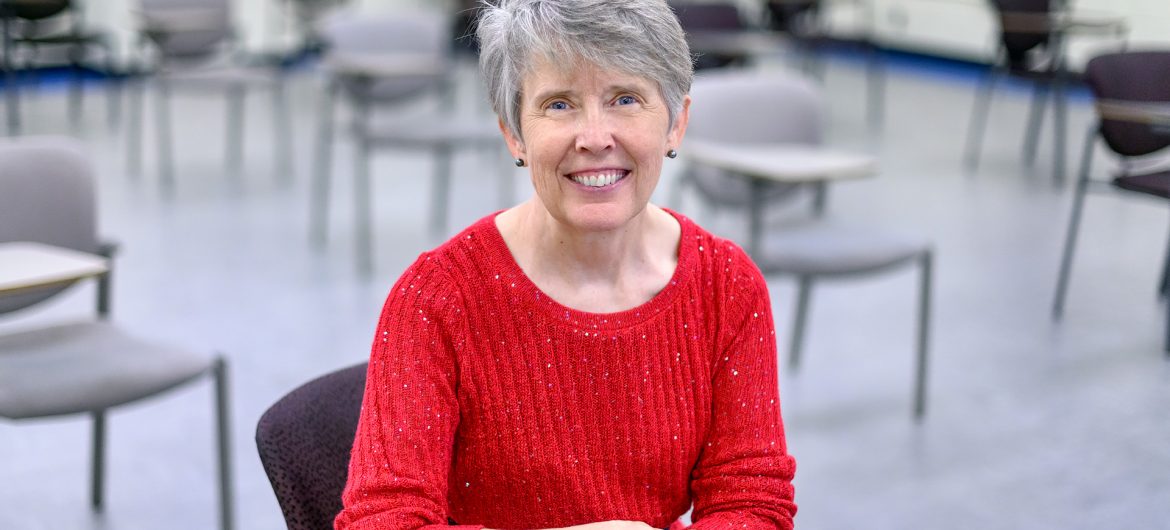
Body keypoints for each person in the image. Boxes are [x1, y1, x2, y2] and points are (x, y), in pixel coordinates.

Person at [335, 1, 797, 529]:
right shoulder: (437, 299)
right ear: (514, 134)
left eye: (625, 99)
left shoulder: (726, 287)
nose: (595, 138)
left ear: (676, 124)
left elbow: (752, 504)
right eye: (559, 104)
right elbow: (383, 520)